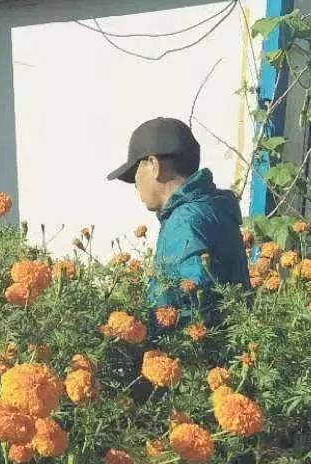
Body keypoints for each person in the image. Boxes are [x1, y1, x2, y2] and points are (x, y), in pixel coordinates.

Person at [107, 117, 251, 340]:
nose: (136, 186)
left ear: (153, 166)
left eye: (135, 174)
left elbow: (189, 305)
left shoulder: (185, 221)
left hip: (195, 362)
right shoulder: (211, 207)